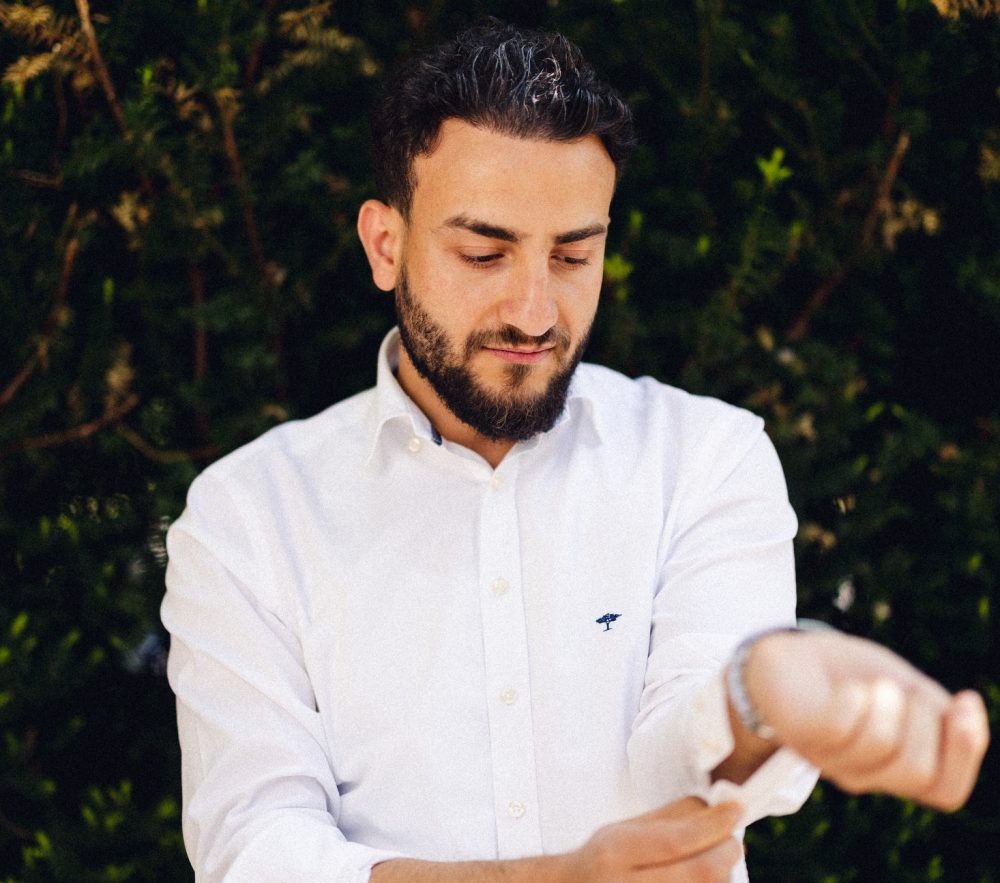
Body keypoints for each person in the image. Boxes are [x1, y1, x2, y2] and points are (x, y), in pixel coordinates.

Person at [161, 21, 989, 883]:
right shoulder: (247, 515)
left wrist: (764, 688)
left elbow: (690, 756)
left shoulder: (706, 458)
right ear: (385, 245)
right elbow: (256, 849)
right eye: (484, 253)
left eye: (572, 255)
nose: (534, 311)